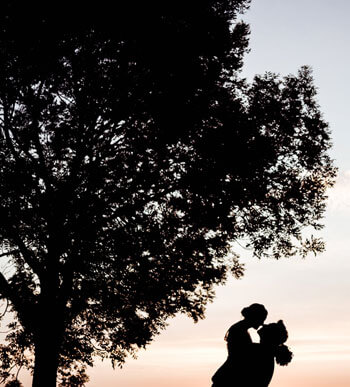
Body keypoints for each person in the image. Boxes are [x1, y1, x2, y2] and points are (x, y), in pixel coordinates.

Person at [211, 303, 268, 386]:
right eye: (262, 319)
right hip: (230, 376)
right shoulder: (238, 330)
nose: (262, 323)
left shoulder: (240, 329)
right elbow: (245, 350)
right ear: (255, 317)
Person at [249, 320, 293, 386]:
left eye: (268, 326)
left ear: (270, 335)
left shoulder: (262, 352)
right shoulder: (265, 351)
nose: (264, 325)